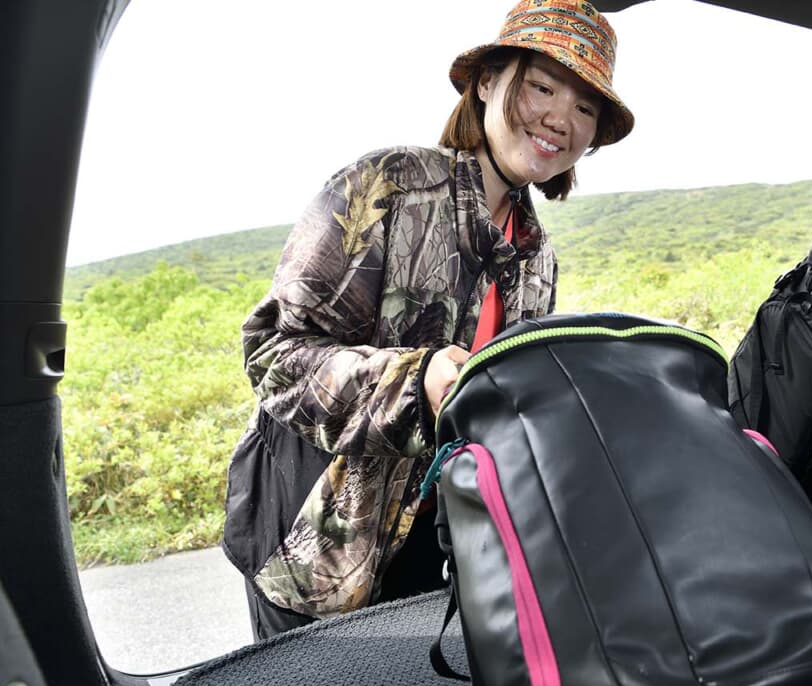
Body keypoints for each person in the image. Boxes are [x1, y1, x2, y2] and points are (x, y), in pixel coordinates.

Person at [220, 0, 634, 641]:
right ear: (488, 82)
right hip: (315, 547)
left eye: (585, 108)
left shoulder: (536, 258)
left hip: (434, 552)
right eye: (543, 87)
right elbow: (273, 354)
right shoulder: (386, 188)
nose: (561, 119)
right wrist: (416, 384)